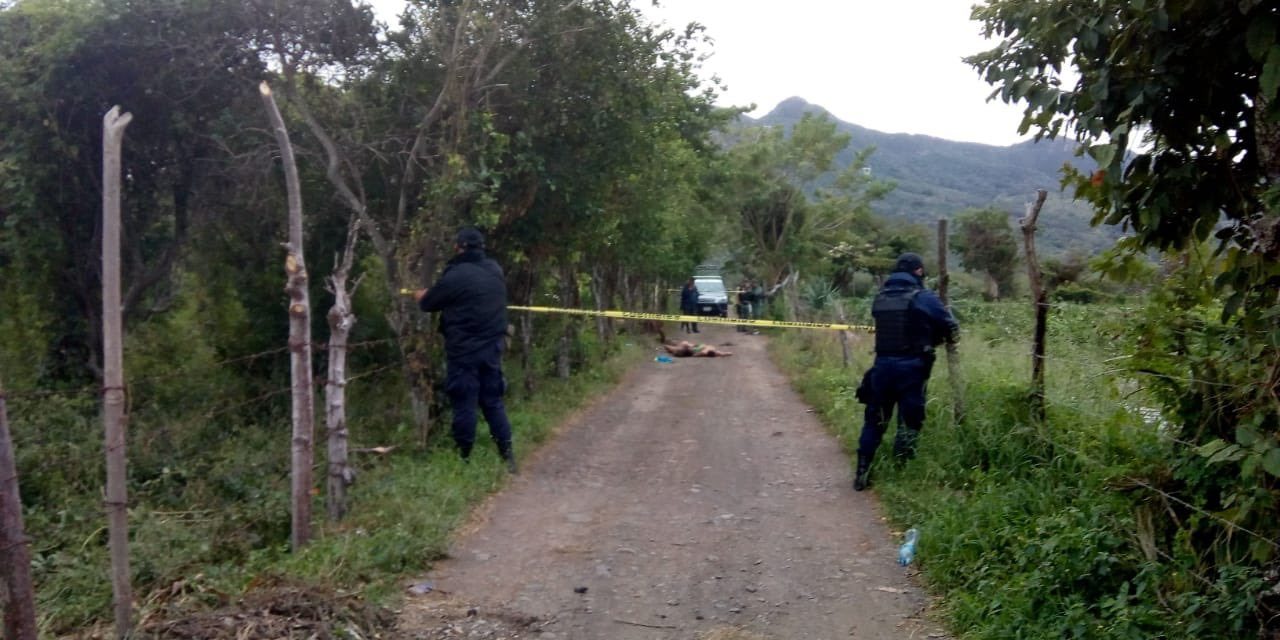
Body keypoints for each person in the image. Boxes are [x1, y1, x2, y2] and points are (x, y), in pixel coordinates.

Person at [853, 252, 959, 491]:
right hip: (912, 368)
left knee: (875, 420)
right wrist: (939, 339)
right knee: (909, 420)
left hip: (881, 368)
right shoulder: (923, 297)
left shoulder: (880, 298)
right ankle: (902, 471)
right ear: (919, 272)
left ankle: (862, 471)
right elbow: (950, 326)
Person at [415, 227, 518, 473]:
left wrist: (422, 295)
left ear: (458, 247)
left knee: (464, 402)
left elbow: (429, 304)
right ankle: (508, 458)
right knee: (493, 401)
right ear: (481, 247)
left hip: (464, 352)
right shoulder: (495, 269)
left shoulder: (456, 274)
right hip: (493, 348)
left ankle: (463, 460)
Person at [663, 340, 733, 357]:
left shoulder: (707, 350)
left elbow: (699, 354)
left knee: (684, 344)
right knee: (683, 344)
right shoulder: (711, 349)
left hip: (690, 350)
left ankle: (667, 345)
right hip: (691, 349)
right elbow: (722, 353)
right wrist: (727, 353)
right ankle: (669, 345)